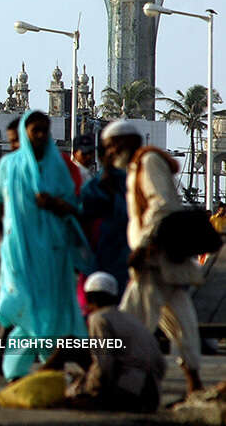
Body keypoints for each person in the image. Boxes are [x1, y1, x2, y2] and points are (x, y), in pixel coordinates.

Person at [0, 110, 93, 382]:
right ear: (25, 133)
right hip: (19, 251)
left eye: (44, 129)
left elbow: (74, 208)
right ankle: (32, 364)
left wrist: (55, 204)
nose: (40, 135)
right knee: (18, 301)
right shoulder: (9, 165)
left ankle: (32, 369)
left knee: (50, 309)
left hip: (53, 251)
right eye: (34, 130)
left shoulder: (59, 166)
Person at [102, 119, 205, 394]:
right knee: (181, 321)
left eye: (111, 147)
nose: (110, 154)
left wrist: (143, 244)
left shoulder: (147, 163)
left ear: (126, 142)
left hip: (152, 258)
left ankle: (118, 378)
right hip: (159, 261)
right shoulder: (136, 167)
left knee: (129, 321)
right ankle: (193, 379)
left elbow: (162, 205)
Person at [40, 271, 165, 412]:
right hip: (151, 394)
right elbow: (160, 365)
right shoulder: (129, 318)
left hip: (131, 396)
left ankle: (36, 384)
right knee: (69, 344)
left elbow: (104, 365)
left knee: (66, 402)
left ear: (89, 297)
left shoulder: (99, 318)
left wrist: (87, 391)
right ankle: (40, 380)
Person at [79, 129, 132, 299]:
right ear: (102, 158)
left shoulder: (130, 186)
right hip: (97, 258)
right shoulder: (91, 189)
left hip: (124, 259)